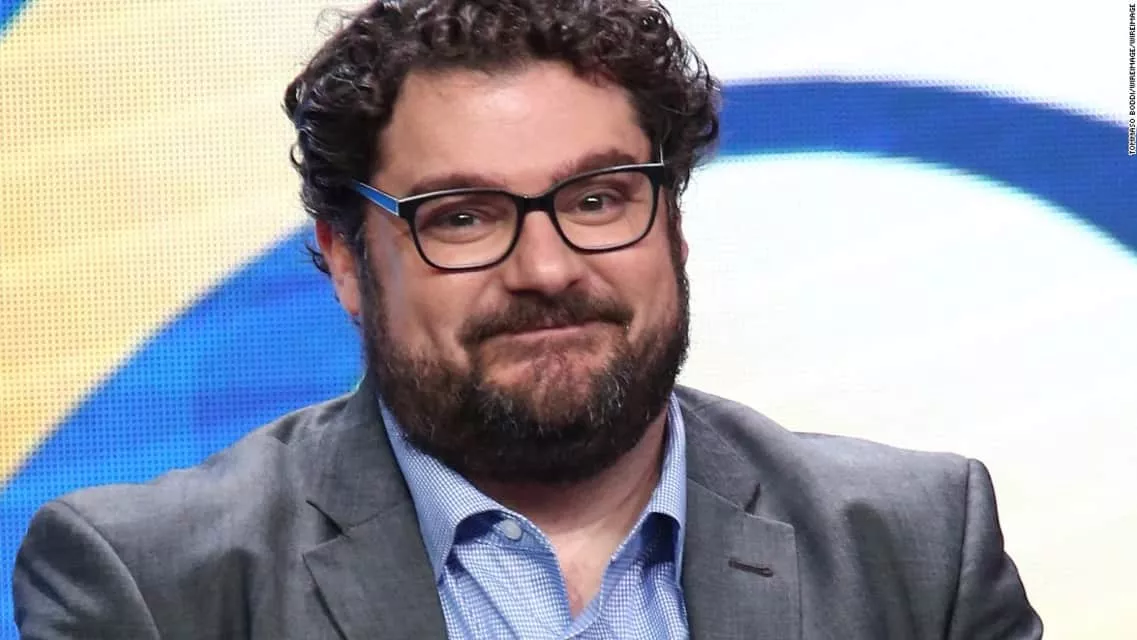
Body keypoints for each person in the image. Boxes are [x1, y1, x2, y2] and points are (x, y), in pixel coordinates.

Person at [12, 0, 1043, 638]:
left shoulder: (912, 546)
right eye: (461, 217)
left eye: (597, 199)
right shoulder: (152, 587)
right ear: (347, 262)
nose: (545, 269)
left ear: (673, 223)